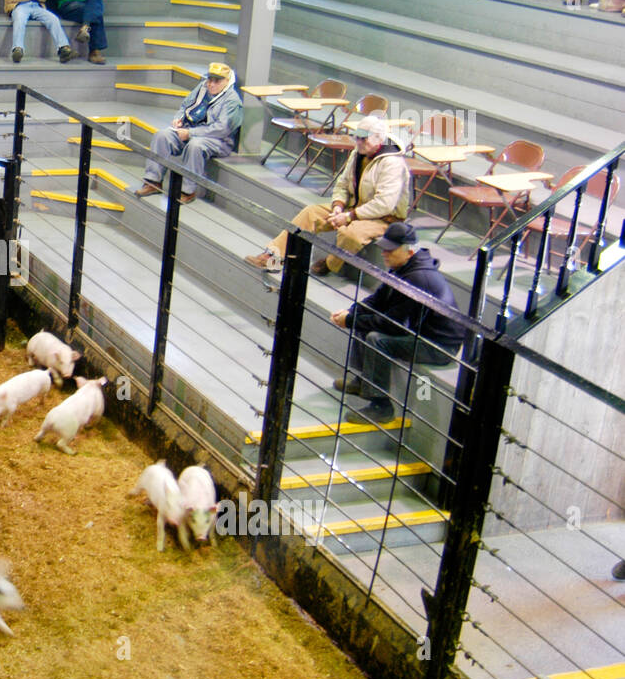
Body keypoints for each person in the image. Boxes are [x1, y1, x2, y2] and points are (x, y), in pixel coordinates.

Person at [328, 223, 467, 425]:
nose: (384, 253)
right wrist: (352, 312)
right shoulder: (402, 267)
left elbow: (394, 325)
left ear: (409, 251)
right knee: (363, 323)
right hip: (419, 333)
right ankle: (363, 382)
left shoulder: (419, 278)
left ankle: (381, 406)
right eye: (384, 248)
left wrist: (350, 321)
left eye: (390, 250)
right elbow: (377, 300)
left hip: (438, 346)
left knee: (376, 338)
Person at [245, 115, 410, 276]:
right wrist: (338, 206)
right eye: (357, 137)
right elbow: (342, 183)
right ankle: (273, 256)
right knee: (310, 213)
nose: (358, 142)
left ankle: (330, 264)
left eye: (363, 138)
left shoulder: (393, 164)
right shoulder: (358, 153)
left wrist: (349, 216)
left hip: (382, 218)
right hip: (353, 207)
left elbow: (384, 204)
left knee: (350, 234)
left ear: (378, 139)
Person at [134, 63, 241, 203]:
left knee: (195, 145)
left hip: (217, 139)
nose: (211, 84)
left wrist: (190, 133)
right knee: (162, 136)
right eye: (210, 80)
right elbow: (185, 105)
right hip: (189, 128)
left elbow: (221, 129)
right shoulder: (202, 87)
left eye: (217, 81)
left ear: (227, 82)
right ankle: (153, 182)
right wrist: (178, 119)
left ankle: (188, 191)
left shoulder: (232, 100)